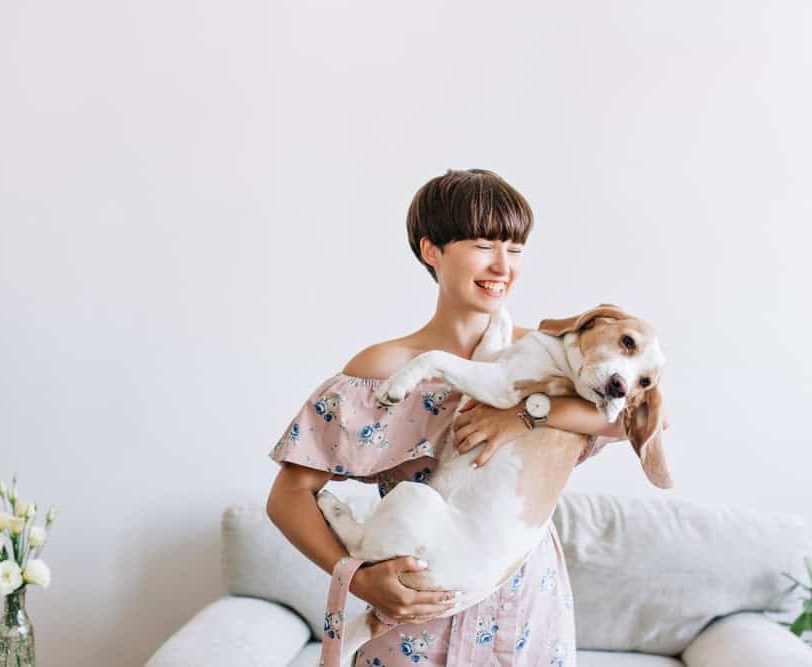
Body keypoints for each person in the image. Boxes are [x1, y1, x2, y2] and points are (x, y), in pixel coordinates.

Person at [266, 168, 625, 666]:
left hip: (522, 610)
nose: (503, 265)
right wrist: (358, 576)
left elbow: (637, 420)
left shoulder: (548, 357)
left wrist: (526, 415)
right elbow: (288, 496)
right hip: (414, 606)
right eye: (483, 245)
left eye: (515, 249)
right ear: (431, 250)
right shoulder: (382, 371)